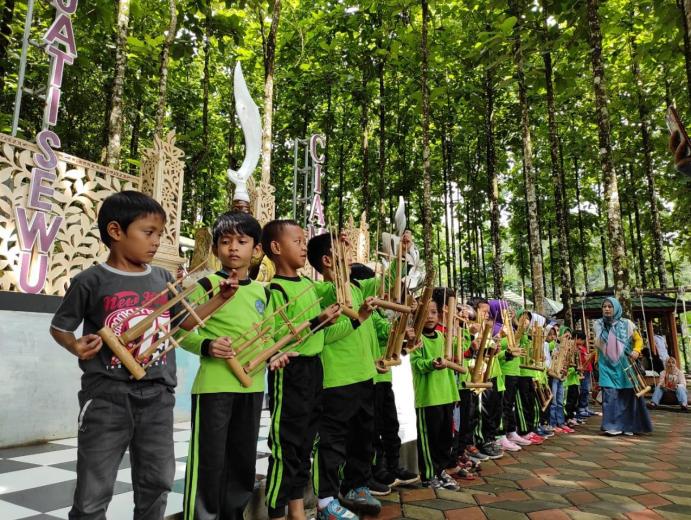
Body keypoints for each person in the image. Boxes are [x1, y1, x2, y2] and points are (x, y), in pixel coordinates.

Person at [49, 191, 214, 519]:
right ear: (116, 231)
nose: (156, 242)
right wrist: (74, 345)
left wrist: (220, 298)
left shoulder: (162, 278)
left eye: (159, 234)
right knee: (93, 491)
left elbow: (184, 322)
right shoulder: (90, 281)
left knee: (158, 481)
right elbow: (60, 327)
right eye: (148, 232)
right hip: (107, 396)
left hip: (158, 396)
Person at [179, 211, 294, 520]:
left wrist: (274, 355)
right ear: (215, 248)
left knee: (242, 460)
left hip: (252, 386)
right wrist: (206, 345)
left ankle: (233, 514)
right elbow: (179, 331)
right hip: (214, 386)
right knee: (209, 459)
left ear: (256, 250)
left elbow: (268, 336)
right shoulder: (206, 285)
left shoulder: (263, 292)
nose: (233, 248)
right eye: (225, 241)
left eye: (242, 242)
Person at [260, 220, 342, 520]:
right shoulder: (275, 290)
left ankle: (297, 510)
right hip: (289, 369)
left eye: (304, 240)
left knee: (306, 441)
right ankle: (276, 512)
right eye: (297, 241)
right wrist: (316, 322)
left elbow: (339, 287)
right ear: (276, 247)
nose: (303, 246)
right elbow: (272, 336)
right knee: (286, 444)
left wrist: (339, 255)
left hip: (313, 368)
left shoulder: (310, 285)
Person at [307, 232, 381, 519]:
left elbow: (392, 281)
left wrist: (404, 250)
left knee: (363, 438)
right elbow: (323, 336)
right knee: (332, 442)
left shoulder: (359, 287)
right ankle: (325, 501)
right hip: (336, 380)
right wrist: (357, 318)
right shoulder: (320, 293)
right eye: (343, 251)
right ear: (327, 260)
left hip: (365, 375)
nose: (350, 255)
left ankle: (356, 487)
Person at [349, 263, 419, 494]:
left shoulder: (377, 313)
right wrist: (401, 325)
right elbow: (386, 331)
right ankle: (375, 470)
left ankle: (393, 466)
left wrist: (406, 333)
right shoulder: (363, 314)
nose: (381, 293)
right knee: (373, 429)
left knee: (390, 425)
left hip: (383, 377)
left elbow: (391, 342)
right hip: (370, 379)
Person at [410, 293, 460, 490]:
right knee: (428, 439)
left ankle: (441, 471)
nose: (430, 316)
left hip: (446, 395)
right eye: (425, 312)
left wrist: (454, 394)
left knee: (445, 438)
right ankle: (428, 475)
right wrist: (431, 363)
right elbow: (416, 364)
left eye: (433, 312)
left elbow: (458, 355)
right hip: (428, 397)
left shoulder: (442, 337)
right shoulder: (416, 339)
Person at [593, 296, 653, 436]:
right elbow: (599, 343)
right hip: (606, 365)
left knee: (628, 395)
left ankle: (629, 426)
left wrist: (636, 350)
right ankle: (612, 426)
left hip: (625, 364)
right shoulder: (598, 324)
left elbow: (638, 340)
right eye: (604, 307)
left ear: (616, 308)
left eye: (610, 306)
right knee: (610, 394)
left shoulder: (627, 324)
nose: (607, 309)